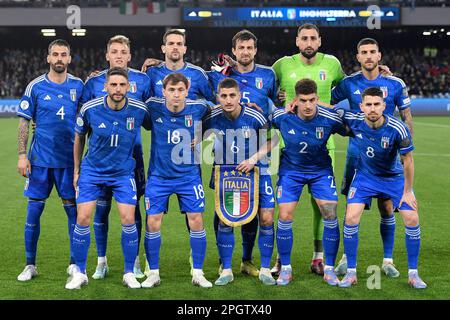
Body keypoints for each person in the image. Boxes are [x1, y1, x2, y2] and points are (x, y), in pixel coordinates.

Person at [331, 38, 414, 277]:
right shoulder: (348, 84)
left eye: (372, 52)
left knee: (387, 206)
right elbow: (328, 102)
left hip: (388, 153)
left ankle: (387, 260)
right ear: (357, 57)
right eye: (363, 53)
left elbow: (407, 117)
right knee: (351, 206)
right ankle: (347, 258)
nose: (368, 56)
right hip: (357, 153)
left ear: (379, 55)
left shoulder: (395, 83)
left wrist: (406, 148)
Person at [66, 67, 151, 290]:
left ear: (128, 87)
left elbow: (161, 123)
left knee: (128, 219)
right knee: (83, 217)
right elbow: (79, 137)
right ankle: (80, 273)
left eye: (122, 85)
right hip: (93, 172)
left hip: (123, 173)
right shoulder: (90, 109)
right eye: (113, 85)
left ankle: (129, 272)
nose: (117, 89)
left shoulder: (140, 109)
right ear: (105, 86)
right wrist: (77, 171)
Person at [271, 23, 345, 276]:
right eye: (304, 38)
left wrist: (381, 72)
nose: (309, 42)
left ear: (320, 41)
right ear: (297, 41)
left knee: (322, 206)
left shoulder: (332, 63)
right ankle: (282, 261)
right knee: (285, 207)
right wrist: (278, 98)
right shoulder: (282, 64)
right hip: (287, 145)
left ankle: (318, 256)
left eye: (313, 38)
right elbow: (267, 90)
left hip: (324, 145)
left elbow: (348, 92)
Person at [336, 87, 426, 289]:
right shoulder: (354, 119)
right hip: (365, 177)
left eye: (377, 104)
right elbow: (330, 109)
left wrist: (408, 191)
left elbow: (408, 160)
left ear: (384, 106)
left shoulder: (397, 128)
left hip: (393, 178)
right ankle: (351, 273)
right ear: (362, 107)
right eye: (368, 104)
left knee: (412, 217)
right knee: (351, 217)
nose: (373, 108)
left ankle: (413, 274)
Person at [208, 29, 278, 277]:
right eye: (241, 48)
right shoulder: (219, 75)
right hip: (225, 160)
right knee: (224, 213)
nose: (245, 52)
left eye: (250, 47)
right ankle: (223, 261)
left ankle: (248, 261)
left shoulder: (268, 75)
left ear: (255, 50)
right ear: (234, 51)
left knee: (258, 214)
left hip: (257, 158)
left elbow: (276, 114)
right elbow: (184, 75)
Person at [82, 35, 151, 279]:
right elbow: (83, 119)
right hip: (100, 158)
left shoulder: (143, 80)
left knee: (133, 209)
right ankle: (102, 261)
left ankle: (134, 261)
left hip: (132, 156)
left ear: (130, 56)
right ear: (107, 55)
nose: (119, 55)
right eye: (114, 51)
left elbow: (155, 110)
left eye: (123, 51)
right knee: (101, 209)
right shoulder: (93, 83)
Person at [16, 39, 84, 281]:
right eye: (55, 54)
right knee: (33, 212)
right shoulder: (35, 86)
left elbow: (87, 118)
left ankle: (75, 264)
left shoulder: (79, 85)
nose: (59, 58)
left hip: (69, 162)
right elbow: (24, 122)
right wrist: (22, 155)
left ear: (69, 58)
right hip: (40, 161)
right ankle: (30, 264)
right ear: (48, 58)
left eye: (63, 54)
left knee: (73, 214)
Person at [142, 73, 212, 288]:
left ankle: (198, 272)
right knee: (153, 223)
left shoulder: (199, 107)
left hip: (188, 176)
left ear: (187, 89)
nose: (176, 95)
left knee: (197, 221)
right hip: (158, 176)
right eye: (171, 90)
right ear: (163, 91)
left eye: (180, 90)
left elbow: (217, 115)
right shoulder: (152, 106)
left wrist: (202, 135)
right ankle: (153, 273)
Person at [144, 29, 214, 102]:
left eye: (179, 44)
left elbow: (212, 101)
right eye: (171, 43)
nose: (175, 47)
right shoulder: (152, 73)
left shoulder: (197, 73)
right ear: (163, 48)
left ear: (184, 49)